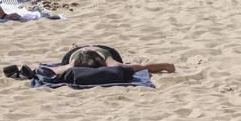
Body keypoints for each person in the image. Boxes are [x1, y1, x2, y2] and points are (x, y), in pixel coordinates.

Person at [45, 45, 176, 76]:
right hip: (76, 52)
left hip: (104, 49)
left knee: (123, 66)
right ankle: (74, 46)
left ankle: (76, 45)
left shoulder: (107, 60)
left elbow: (139, 67)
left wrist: (165, 66)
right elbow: (51, 70)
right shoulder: (74, 63)